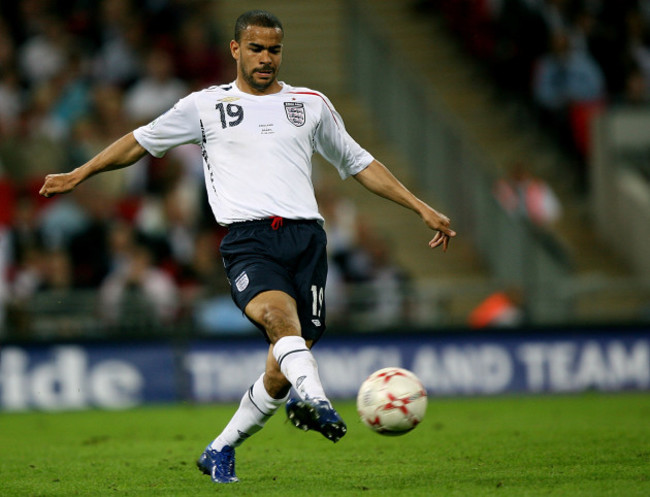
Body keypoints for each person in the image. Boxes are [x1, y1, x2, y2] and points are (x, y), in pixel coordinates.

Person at [38, 10, 456, 484]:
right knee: (282, 323)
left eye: (274, 50)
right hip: (249, 241)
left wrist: (419, 206)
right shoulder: (204, 106)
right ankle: (318, 400)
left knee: (281, 366)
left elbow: (359, 162)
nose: (265, 58)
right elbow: (140, 142)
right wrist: (81, 173)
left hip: (308, 241)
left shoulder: (310, 104)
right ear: (235, 50)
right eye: (255, 48)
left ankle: (220, 449)